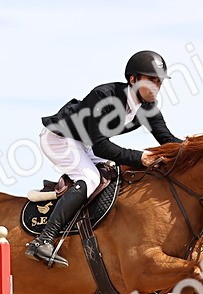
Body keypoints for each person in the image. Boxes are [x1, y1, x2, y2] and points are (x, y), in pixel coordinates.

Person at [26, 50, 183, 268]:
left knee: (114, 174)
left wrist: (197, 150)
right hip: (59, 138)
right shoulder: (104, 97)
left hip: (84, 142)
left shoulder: (147, 108)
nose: (157, 86)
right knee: (90, 178)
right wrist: (140, 157)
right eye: (152, 80)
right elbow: (101, 146)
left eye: (160, 81)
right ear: (133, 79)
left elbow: (166, 140)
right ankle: (43, 240)